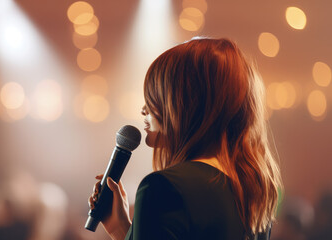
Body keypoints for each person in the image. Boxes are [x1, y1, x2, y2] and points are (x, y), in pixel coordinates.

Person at [89, 37, 283, 240]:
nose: (143, 109)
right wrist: (121, 228)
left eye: (155, 95)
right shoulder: (254, 190)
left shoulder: (163, 188)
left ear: (186, 102)